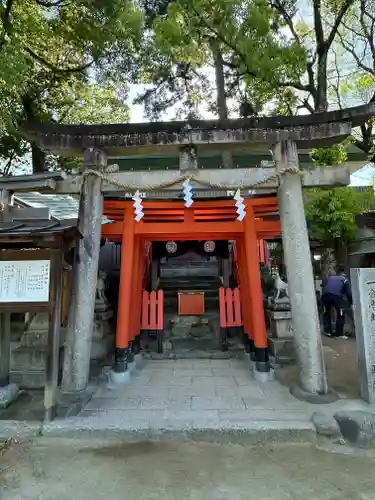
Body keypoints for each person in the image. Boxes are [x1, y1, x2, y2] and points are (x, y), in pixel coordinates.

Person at [321, 267, 352, 339]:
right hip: (336, 297)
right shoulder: (345, 279)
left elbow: (326, 286)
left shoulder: (331, 278)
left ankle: (327, 331)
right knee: (341, 314)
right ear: (344, 274)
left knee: (327, 312)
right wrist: (351, 302)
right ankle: (339, 334)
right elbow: (349, 293)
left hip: (325, 296)